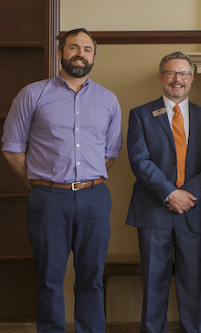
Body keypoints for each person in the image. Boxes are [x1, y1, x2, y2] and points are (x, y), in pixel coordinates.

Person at [2, 28, 121, 333]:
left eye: (87, 49)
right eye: (73, 47)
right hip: (49, 199)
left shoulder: (108, 100)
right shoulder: (32, 94)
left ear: (93, 56)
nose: (80, 53)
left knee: (91, 278)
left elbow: (110, 152)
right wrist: (42, 182)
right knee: (49, 277)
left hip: (94, 198)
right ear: (60, 53)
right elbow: (12, 147)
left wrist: (83, 181)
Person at [125, 51, 201, 333]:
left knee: (193, 283)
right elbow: (139, 160)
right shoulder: (140, 114)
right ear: (161, 77)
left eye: (183, 74)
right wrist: (169, 193)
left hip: (194, 209)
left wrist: (185, 195)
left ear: (192, 78)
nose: (177, 79)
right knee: (154, 282)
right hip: (154, 208)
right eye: (171, 73)